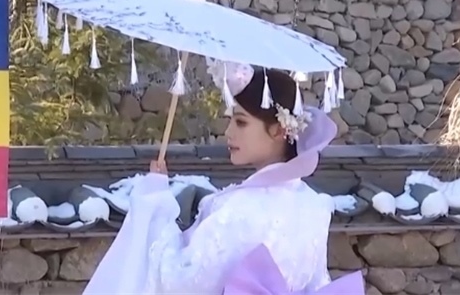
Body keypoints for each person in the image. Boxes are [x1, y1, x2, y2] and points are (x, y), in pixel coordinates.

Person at [84, 63, 363, 294]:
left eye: (241, 122)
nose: (228, 132)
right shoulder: (315, 205)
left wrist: (156, 204)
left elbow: (178, 282)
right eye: (230, 120)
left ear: (279, 130)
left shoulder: (240, 210)